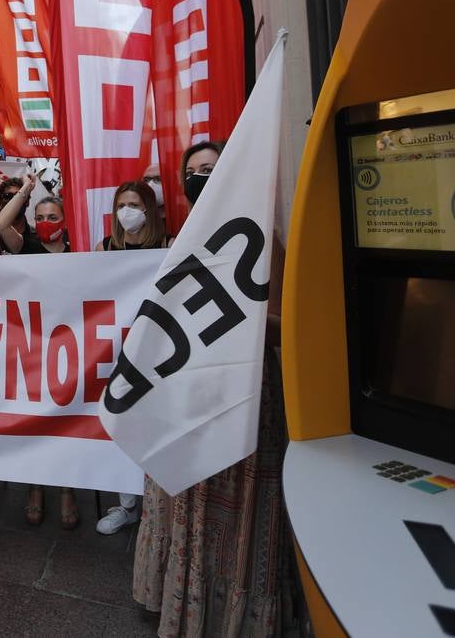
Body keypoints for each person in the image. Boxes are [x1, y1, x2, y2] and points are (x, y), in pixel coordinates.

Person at [131, 139, 297, 637]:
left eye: (212, 168)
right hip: (181, 397)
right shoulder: (174, 243)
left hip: (244, 398)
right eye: (194, 170)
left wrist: (244, 320)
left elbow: (288, 326)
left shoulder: (265, 241)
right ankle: (177, 596)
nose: (202, 177)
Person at [94, 181, 169, 534]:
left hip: (159, 353)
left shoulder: (168, 246)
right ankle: (126, 505)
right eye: (121, 204)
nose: (127, 211)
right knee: (119, 425)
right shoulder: (105, 247)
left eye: (135, 204)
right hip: (117, 352)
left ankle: (158, 505)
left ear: (149, 208)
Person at [6, 195, 82, 530]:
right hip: (33, 344)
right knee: (35, 418)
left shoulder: (80, 249)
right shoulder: (27, 247)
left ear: (67, 219)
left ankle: (67, 489)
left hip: (71, 343)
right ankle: (36, 486)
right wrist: (25, 190)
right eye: (39, 216)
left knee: (67, 418)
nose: (46, 220)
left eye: (53, 215)